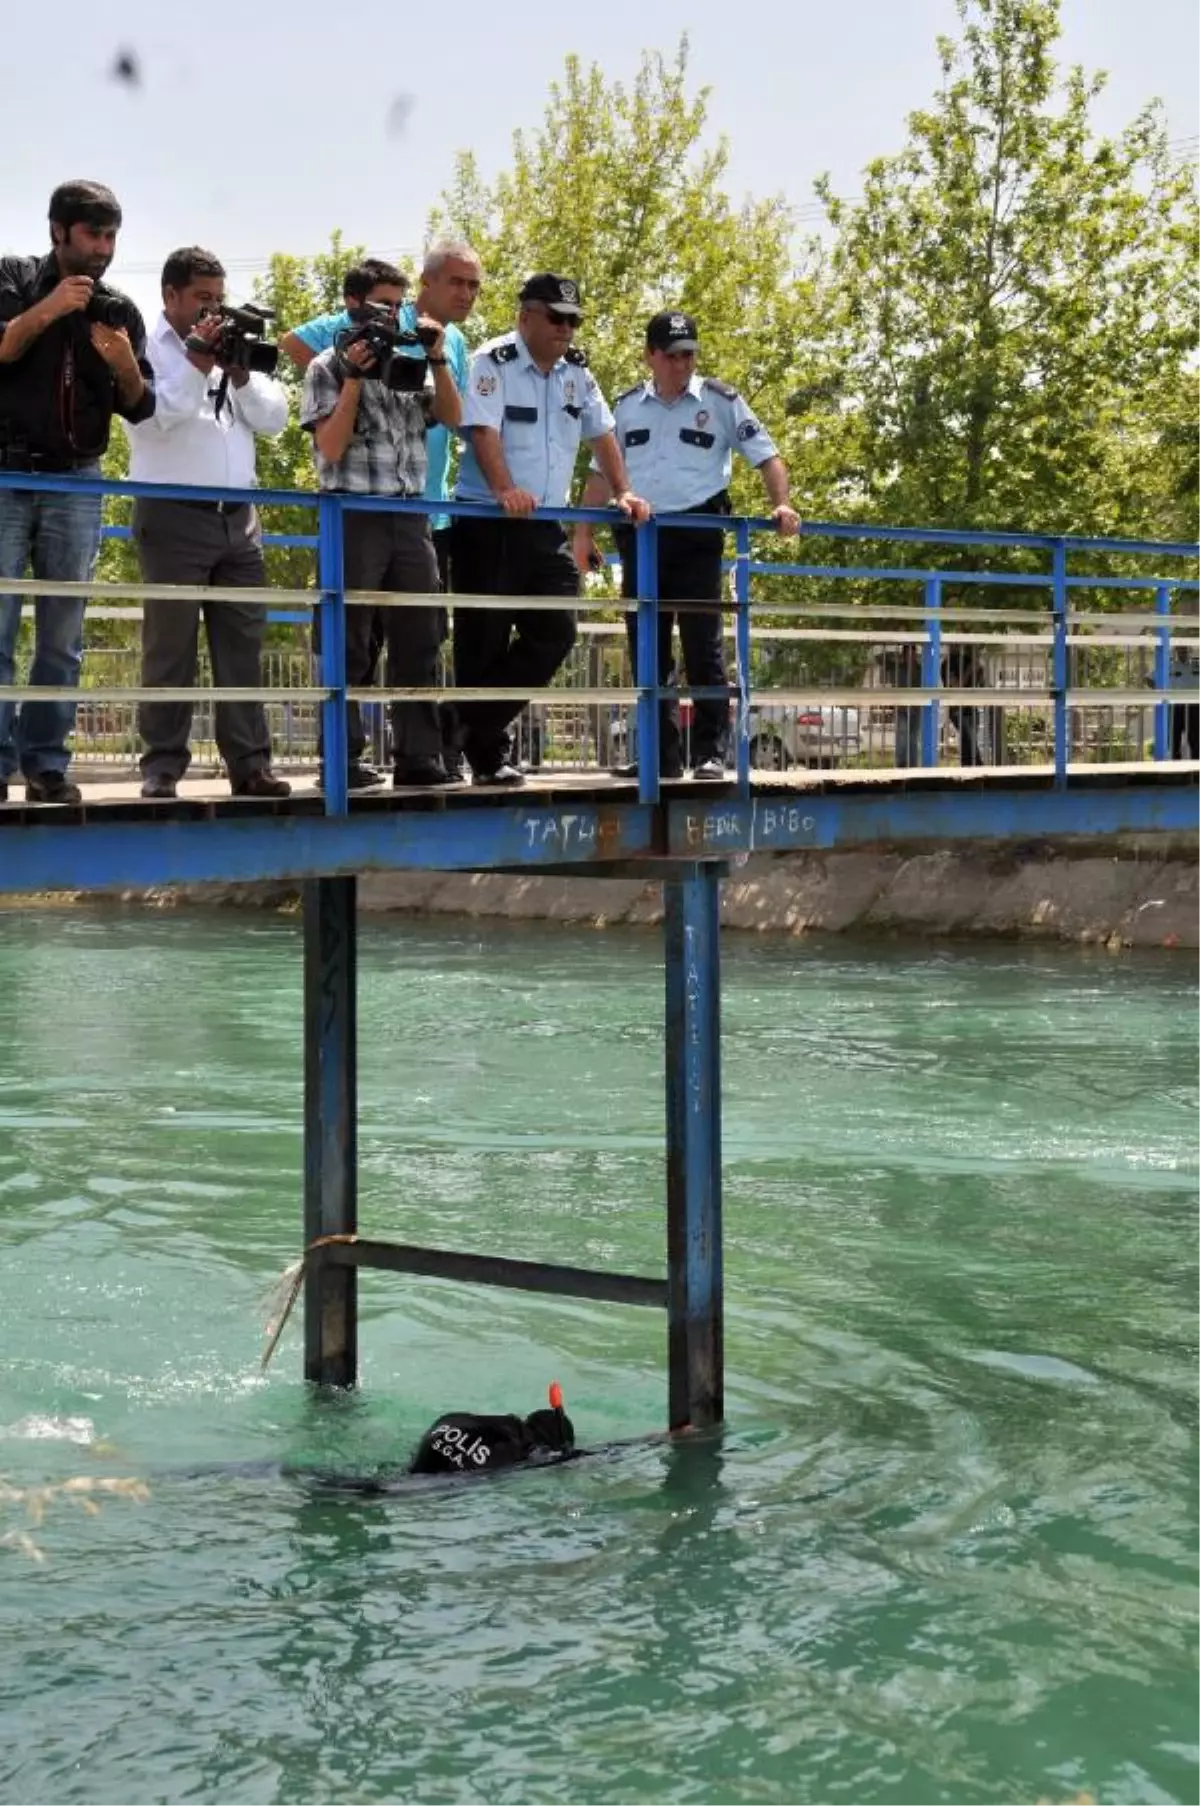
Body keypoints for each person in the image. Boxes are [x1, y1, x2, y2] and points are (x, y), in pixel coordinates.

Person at [574, 311, 799, 781]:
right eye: (673, 355)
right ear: (651, 355)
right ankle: (660, 755)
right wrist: (582, 534)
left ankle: (710, 753)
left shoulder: (720, 401)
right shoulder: (627, 406)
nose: (683, 364)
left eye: (689, 355)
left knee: (703, 647)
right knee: (648, 648)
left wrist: (782, 505)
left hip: (698, 532)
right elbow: (600, 473)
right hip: (643, 535)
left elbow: (768, 456)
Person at [282, 244, 483, 769]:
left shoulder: (410, 362)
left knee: (420, 639)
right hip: (351, 514)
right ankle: (342, 761)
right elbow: (329, 447)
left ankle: (420, 758)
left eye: (396, 306)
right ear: (352, 304)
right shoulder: (327, 366)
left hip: (410, 515)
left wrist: (436, 359)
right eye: (378, 306)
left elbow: (453, 416)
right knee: (347, 641)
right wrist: (354, 377)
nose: (389, 316)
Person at [451, 272, 648, 786]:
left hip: (545, 525)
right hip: (489, 519)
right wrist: (503, 489)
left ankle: (459, 725)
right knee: (484, 641)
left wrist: (622, 490)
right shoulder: (491, 362)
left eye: (573, 321)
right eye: (557, 318)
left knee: (557, 630)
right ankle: (488, 756)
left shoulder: (577, 374)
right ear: (526, 316)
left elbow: (603, 436)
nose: (566, 329)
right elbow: (482, 431)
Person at [0, 180, 154, 804]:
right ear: (59, 230)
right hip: (6, 477)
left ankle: (46, 767)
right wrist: (50, 309)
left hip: (76, 482)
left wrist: (122, 363)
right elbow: (4, 346)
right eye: (93, 234)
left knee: (63, 637)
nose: (104, 248)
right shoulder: (12, 277)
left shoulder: (119, 311)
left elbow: (140, 408)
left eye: (112, 236)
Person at [125, 247, 292, 799]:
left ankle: (250, 766)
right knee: (169, 648)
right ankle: (162, 767)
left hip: (238, 518)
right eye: (202, 299)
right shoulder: (143, 345)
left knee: (242, 647)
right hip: (172, 513)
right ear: (169, 295)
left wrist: (240, 376)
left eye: (218, 300)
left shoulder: (232, 348)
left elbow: (274, 421)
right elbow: (157, 420)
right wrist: (198, 364)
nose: (212, 312)